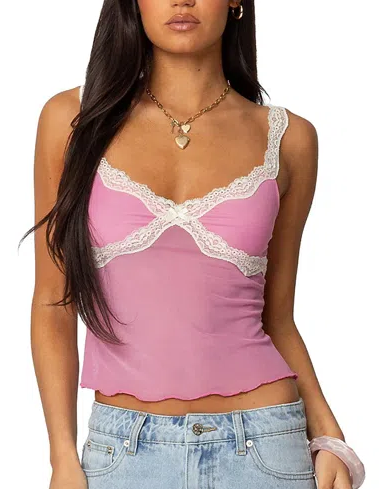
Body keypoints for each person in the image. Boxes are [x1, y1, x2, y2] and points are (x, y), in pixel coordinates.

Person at [20, 1, 365, 488]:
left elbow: (277, 318)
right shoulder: (72, 120)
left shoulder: (289, 139)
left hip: (265, 446)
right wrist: (62, 456)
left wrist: (329, 436)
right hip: (123, 454)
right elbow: (52, 302)